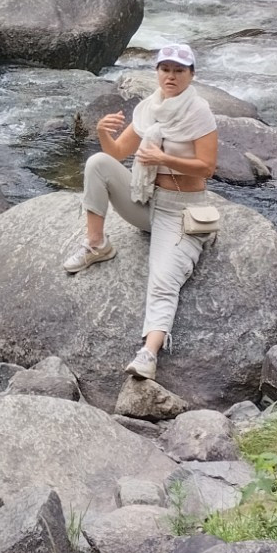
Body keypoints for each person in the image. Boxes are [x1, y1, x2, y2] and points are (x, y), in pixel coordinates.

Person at [64, 44, 221, 381]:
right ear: (157, 73)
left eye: (179, 70)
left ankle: (148, 354)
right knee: (97, 163)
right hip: (145, 200)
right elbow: (119, 153)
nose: (171, 76)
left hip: (178, 211)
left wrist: (164, 160)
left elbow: (206, 167)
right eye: (165, 69)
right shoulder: (149, 108)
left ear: (191, 75)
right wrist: (103, 133)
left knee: (164, 281)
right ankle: (96, 245)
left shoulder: (199, 112)